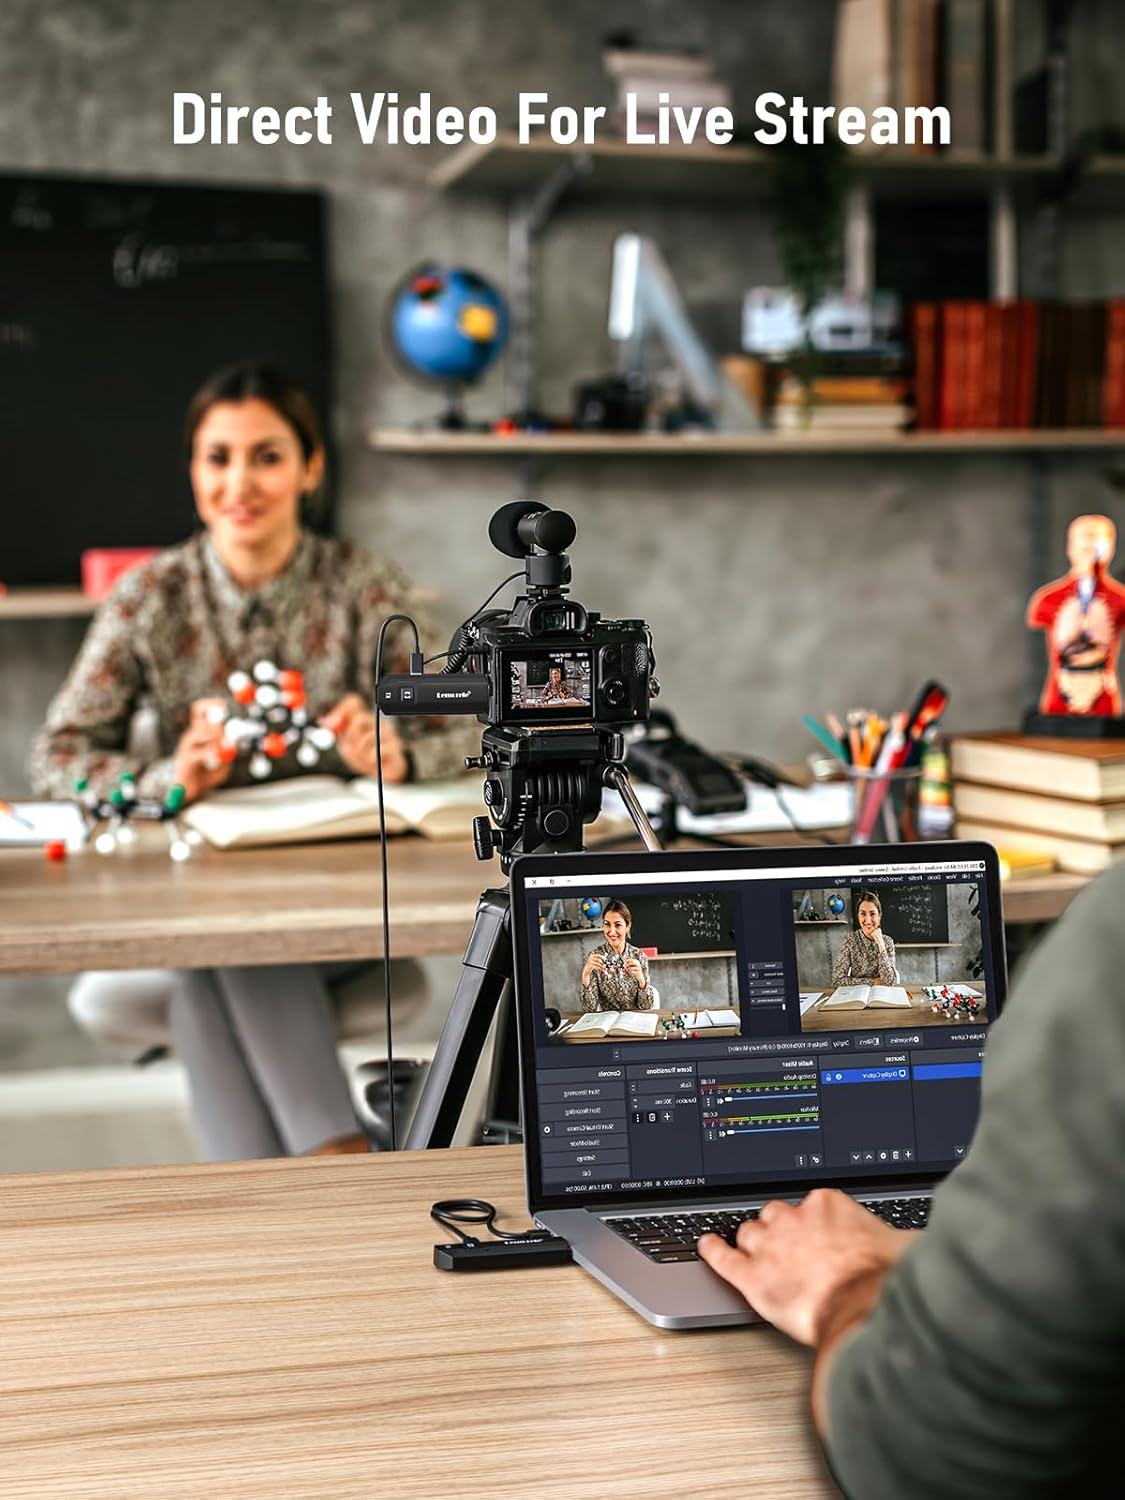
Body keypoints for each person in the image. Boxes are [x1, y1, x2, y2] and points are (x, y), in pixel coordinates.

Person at [30, 361, 473, 1160]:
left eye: (267, 456)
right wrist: (173, 778)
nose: (241, 482)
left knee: (215, 959)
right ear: (194, 472)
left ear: (310, 468)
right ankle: (336, 1164)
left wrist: (397, 751)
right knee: (216, 954)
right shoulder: (149, 597)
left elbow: (478, 725)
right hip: (200, 896)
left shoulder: (365, 589)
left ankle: (289, 1194)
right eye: (218, 458)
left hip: (333, 904)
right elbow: (58, 755)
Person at [698, 864, 1125, 1497]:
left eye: (874, 917)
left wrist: (848, 1287)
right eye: (864, 917)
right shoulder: (850, 945)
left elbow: (931, 1447)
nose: (870, 923)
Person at [1026, 512, 1125, 717]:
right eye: (1087, 536)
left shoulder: (1120, 599)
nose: (1093, 544)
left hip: (1103, 695)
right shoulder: (1048, 599)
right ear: (1070, 545)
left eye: (1101, 537)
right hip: (1059, 694)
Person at [579, 900, 652, 1011]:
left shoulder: (639, 956)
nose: (612, 932)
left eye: (618, 925)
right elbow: (589, 1008)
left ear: (627, 926)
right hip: (608, 1023)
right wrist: (585, 975)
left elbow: (646, 1006)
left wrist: (641, 980)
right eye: (607, 924)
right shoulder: (595, 957)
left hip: (634, 1021)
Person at [830, 890, 899, 986]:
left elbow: (890, 982)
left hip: (881, 996)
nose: (868, 920)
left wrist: (881, 945)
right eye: (863, 913)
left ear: (879, 916)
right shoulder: (850, 940)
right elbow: (837, 981)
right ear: (858, 916)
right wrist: (872, 982)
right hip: (856, 996)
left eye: (872, 914)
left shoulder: (887, 941)